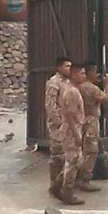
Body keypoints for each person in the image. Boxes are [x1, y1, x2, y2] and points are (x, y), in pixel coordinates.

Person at [76, 61, 108, 191]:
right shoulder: (90, 88)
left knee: (80, 150)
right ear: (89, 72)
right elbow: (107, 99)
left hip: (80, 120)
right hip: (91, 120)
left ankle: (74, 178)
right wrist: (107, 85)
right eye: (95, 71)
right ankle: (84, 179)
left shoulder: (78, 86)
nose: (97, 74)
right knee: (91, 151)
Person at [57, 61, 87, 205]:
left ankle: (57, 187)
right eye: (82, 73)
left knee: (73, 161)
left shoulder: (72, 89)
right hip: (71, 131)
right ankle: (67, 192)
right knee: (72, 162)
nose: (84, 76)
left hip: (72, 128)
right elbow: (69, 114)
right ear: (74, 75)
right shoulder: (72, 92)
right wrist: (76, 135)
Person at [46, 57, 71, 200]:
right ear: (59, 68)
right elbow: (50, 105)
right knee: (56, 156)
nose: (69, 68)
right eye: (67, 66)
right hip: (58, 125)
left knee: (66, 155)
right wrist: (58, 122)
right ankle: (53, 185)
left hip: (68, 123)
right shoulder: (53, 83)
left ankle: (61, 185)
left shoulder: (67, 82)